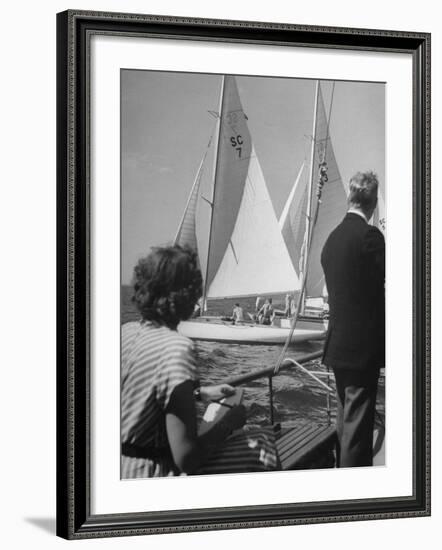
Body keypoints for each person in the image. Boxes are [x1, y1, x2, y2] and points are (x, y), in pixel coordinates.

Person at [122, 245, 278, 478]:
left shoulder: (126, 332)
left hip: (119, 469)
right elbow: (186, 458)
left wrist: (200, 393)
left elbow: (146, 395)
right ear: (187, 295)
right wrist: (229, 424)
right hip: (151, 475)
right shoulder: (177, 347)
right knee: (264, 442)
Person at [321, 171, 385, 468]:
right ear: (373, 203)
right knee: (358, 435)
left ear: (350, 196)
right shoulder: (371, 237)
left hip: (337, 348)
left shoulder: (331, 240)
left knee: (344, 424)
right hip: (362, 353)